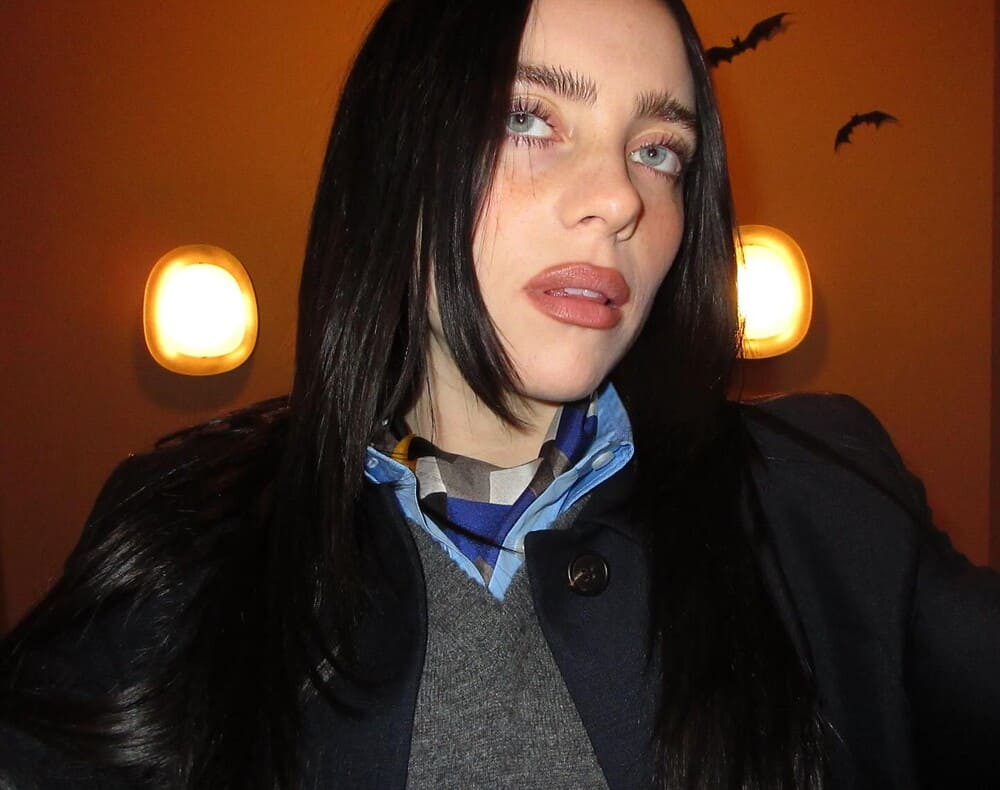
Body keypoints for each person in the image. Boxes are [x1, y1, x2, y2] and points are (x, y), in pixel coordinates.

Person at [1, 0, 998, 787]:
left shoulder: (824, 499)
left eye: (659, 149)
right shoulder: (187, 540)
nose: (621, 197)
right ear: (396, 157)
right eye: (528, 118)